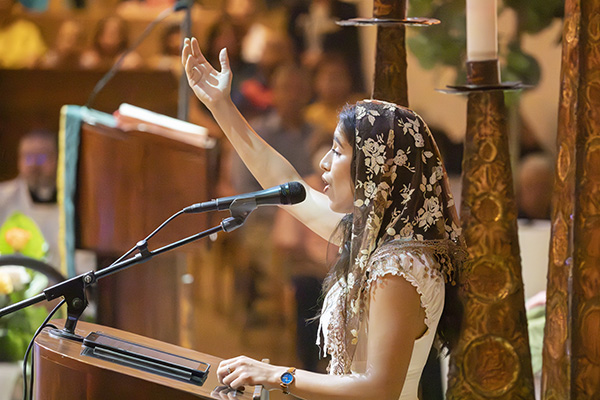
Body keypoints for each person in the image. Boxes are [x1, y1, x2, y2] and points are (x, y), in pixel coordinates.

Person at [182, 37, 465, 399]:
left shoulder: (398, 267)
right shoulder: (372, 238)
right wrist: (220, 106)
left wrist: (276, 374)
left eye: (337, 150)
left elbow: (379, 388)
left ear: (373, 168)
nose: (324, 164)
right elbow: (283, 180)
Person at [0, 130, 60, 268]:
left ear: (57, 158)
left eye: (42, 157)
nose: (34, 165)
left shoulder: (75, 203)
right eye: (28, 158)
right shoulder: (3, 198)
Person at [0, 0, 47, 68]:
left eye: (5, 6)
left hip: (20, 75)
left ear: (14, 6)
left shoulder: (28, 30)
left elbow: (33, 58)